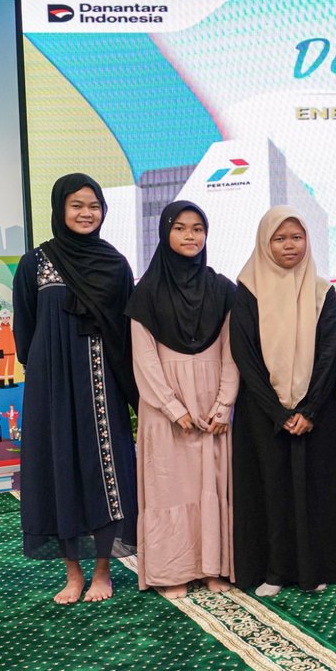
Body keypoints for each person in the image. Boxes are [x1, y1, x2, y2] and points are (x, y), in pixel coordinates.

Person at [12, 172, 139, 604]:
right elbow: (25, 328)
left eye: (94, 206)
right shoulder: (35, 263)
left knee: (105, 470)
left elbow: (127, 329)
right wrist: (46, 370)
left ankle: (103, 571)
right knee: (59, 468)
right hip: (51, 384)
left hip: (102, 384)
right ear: (59, 209)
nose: (87, 213)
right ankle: (72, 573)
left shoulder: (115, 264)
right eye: (77, 205)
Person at [231, 207, 336, 596]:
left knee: (315, 491)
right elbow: (244, 354)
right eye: (280, 238)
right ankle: (274, 570)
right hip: (262, 413)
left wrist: (308, 409)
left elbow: (330, 353)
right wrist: (278, 412)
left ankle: (316, 567)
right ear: (265, 242)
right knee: (270, 490)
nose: (290, 245)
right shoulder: (247, 289)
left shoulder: (322, 291)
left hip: (315, 413)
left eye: (297, 237)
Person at [127, 201, 238, 597]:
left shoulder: (222, 288)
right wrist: (173, 407)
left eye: (198, 229)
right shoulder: (146, 291)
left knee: (212, 485)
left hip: (211, 404)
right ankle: (171, 570)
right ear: (165, 232)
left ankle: (211, 567)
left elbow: (233, 350)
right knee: (169, 486)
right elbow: (144, 358)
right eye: (181, 228)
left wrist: (224, 404)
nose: (190, 236)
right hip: (164, 406)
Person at [0, 314, 17, 388]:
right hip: (2, 352)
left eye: (6, 318)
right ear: (0, 318)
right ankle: (1, 384)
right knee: (2, 367)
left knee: (11, 367)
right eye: (3, 318)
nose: (5, 320)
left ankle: (11, 383)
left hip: (12, 351)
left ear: (9, 318)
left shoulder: (12, 328)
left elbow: (17, 340)